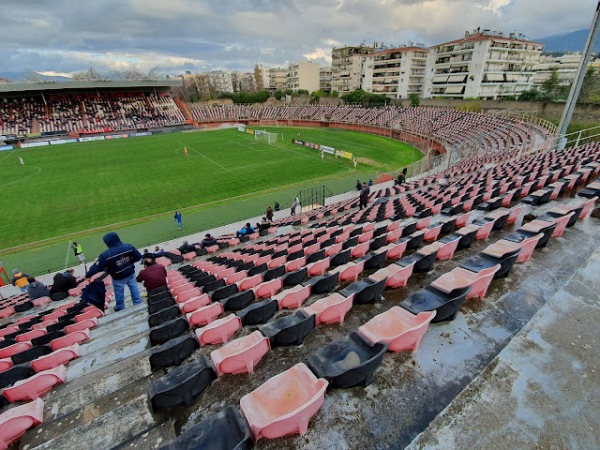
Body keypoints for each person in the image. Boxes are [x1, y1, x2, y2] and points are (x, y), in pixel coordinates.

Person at [85, 232, 142, 312]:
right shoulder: (128, 246)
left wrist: (88, 275)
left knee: (119, 292)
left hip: (118, 277)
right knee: (134, 288)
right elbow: (138, 256)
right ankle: (137, 302)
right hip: (130, 273)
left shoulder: (105, 255)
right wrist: (130, 262)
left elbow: (96, 267)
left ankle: (120, 306)